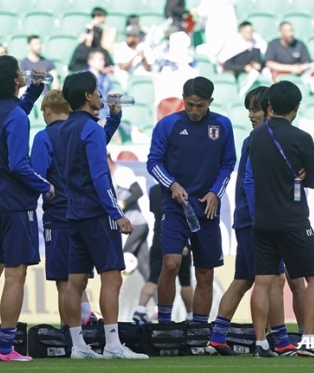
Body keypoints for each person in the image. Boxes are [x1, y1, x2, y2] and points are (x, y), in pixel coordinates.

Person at [207, 86, 305, 357]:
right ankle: (279, 340)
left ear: (270, 110)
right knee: (273, 279)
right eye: (249, 109)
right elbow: (250, 182)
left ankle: (217, 337)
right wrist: (262, 215)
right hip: (257, 221)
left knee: (244, 279)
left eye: (256, 109)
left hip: (249, 219)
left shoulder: (258, 139)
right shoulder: (258, 140)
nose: (251, 115)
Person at [245, 80, 314, 357]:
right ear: (296, 108)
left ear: (269, 106)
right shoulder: (301, 138)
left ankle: (261, 343)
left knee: (262, 282)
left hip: (262, 221)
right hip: (293, 220)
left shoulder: (254, 138)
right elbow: (312, 180)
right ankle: (309, 341)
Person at [59, 71, 148, 359]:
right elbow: (100, 175)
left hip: (73, 213)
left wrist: (114, 117)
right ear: (88, 96)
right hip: (98, 215)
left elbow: (95, 143)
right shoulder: (90, 131)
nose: (100, 94)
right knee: (112, 278)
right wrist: (116, 212)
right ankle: (112, 345)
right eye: (97, 90)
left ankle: (78, 346)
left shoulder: (63, 130)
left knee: (75, 282)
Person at [0, 56, 54, 362]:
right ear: (14, 80)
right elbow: (19, 164)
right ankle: (6, 348)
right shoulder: (17, 118)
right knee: (15, 276)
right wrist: (45, 185)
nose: (24, 73)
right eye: (20, 72)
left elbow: (14, 110)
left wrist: (33, 90)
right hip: (16, 205)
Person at [30, 89, 124, 330]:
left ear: (47, 111)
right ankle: (86, 327)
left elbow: (37, 176)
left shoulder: (44, 137)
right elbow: (98, 142)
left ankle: (69, 335)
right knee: (84, 279)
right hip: (87, 212)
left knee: (66, 281)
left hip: (59, 214)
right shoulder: (78, 131)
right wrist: (114, 118)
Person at [147, 76, 236, 325]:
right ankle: (164, 323)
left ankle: (198, 328)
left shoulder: (222, 125)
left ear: (210, 102)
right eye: (190, 104)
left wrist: (215, 192)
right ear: (183, 99)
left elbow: (228, 163)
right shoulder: (168, 125)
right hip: (175, 207)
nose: (195, 110)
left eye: (201, 105)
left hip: (207, 207)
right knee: (171, 263)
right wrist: (172, 185)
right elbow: (153, 162)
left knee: (205, 272)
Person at [132, 184, 194, 323]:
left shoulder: (154, 189)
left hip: (158, 238)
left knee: (153, 278)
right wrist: (184, 243)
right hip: (177, 237)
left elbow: (155, 212)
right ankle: (190, 316)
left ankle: (140, 310)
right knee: (185, 282)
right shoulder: (182, 189)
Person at [107, 154, 150, 283]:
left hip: (136, 224)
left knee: (121, 259)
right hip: (135, 225)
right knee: (146, 269)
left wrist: (122, 204)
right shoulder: (110, 177)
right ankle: (158, 302)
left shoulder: (122, 172)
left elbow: (138, 191)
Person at [68, 7, 114, 72]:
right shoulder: (89, 27)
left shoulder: (101, 31)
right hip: (86, 52)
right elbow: (81, 40)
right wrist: (91, 26)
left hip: (97, 50)